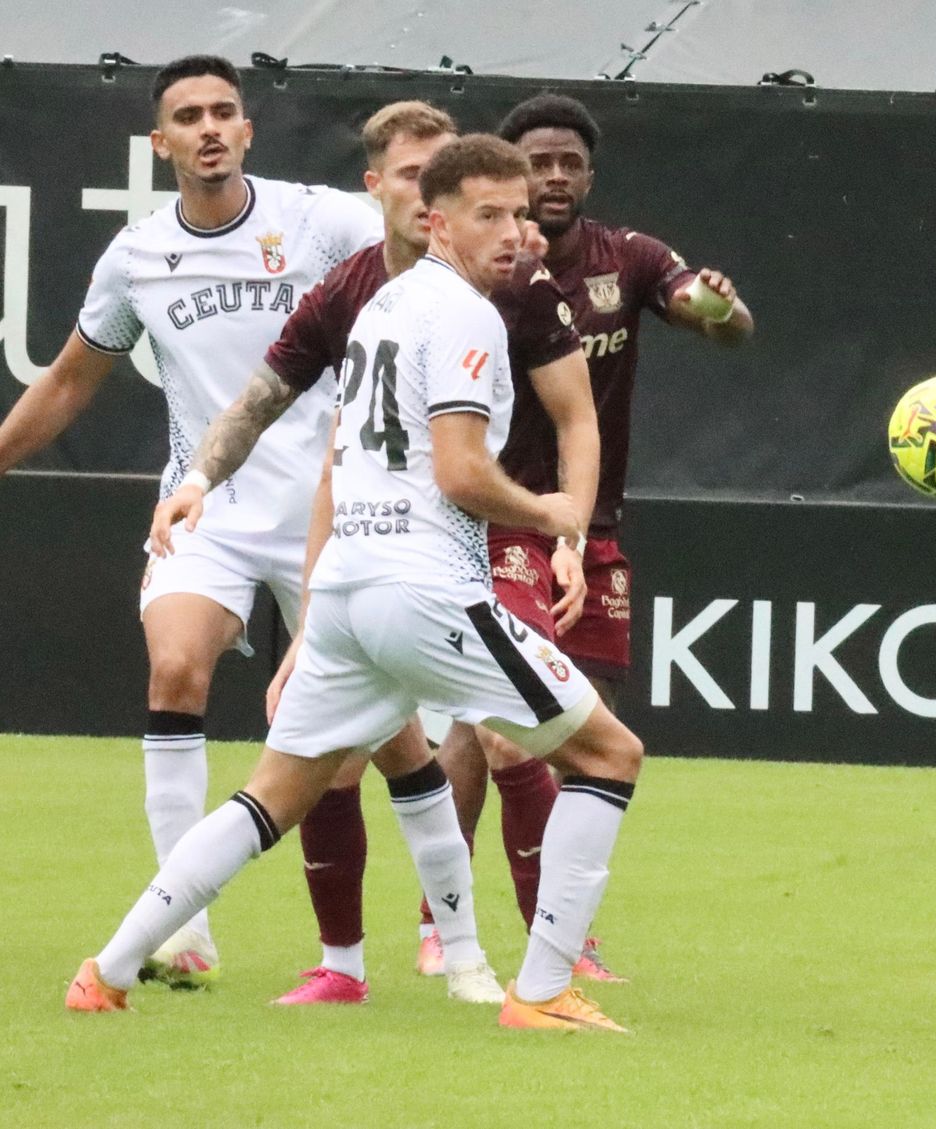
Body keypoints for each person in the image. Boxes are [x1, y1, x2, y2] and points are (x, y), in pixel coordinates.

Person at [69, 133, 641, 1033]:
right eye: (488, 214)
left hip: (345, 592)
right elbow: (458, 473)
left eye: (520, 213)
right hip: (423, 587)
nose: (512, 232)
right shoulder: (464, 315)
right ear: (435, 219)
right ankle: (540, 993)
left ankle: (107, 967)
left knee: (274, 794)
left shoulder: (384, 305)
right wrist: (554, 515)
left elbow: (341, 454)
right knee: (611, 756)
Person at [0, 55, 385, 986]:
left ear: (248, 131)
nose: (209, 128)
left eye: (225, 112)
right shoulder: (137, 257)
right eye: (189, 116)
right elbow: (65, 381)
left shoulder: (322, 220)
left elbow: (424, 261)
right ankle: (184, 933)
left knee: (378, 747)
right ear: (159, 142)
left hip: (331, 511)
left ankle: (440, 938)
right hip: (204, 505)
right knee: (174, 668)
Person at [403, 91, 760, 975]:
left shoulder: (626, 257)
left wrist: (717, 306)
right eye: (539, 164)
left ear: (589, 176)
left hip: (591, 530)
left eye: (570, 163)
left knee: (566, 732)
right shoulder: (475, 272)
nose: (555, 177)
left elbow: (718, 322)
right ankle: (476, 929)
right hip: (494, 521)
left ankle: (526, 928)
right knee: (496, 731)